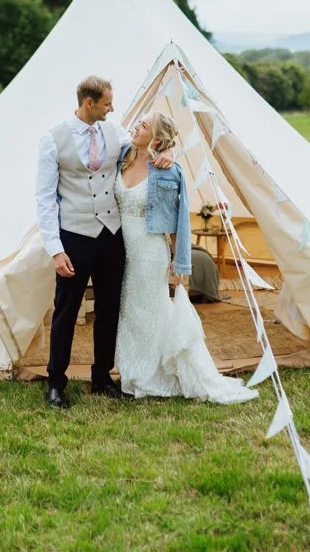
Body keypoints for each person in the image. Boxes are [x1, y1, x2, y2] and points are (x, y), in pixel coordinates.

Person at [35, 76, 173, 409]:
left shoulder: (115, 133)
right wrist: (56, 250)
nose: (112, 108)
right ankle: (56, 383)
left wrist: (167, 155)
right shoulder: (53, 140)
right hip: (74, 236)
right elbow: (44, 199)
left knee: (109, 308)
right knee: (66, 311)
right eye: (107, 103)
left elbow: (149, 144)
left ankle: (101, 377)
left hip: (112, 235)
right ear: (89, 103)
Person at [114, 112, 258, 404]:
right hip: (119, 249)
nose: (136, 127)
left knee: (150, 312)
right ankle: (129, 373)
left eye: (143, 125)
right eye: (138, 122)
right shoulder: (121, 156)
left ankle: (151, 375)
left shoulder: (169, 171)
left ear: (155, 138)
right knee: (127, 312)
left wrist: (180, 264)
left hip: (149, 251)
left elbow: (180, 220)